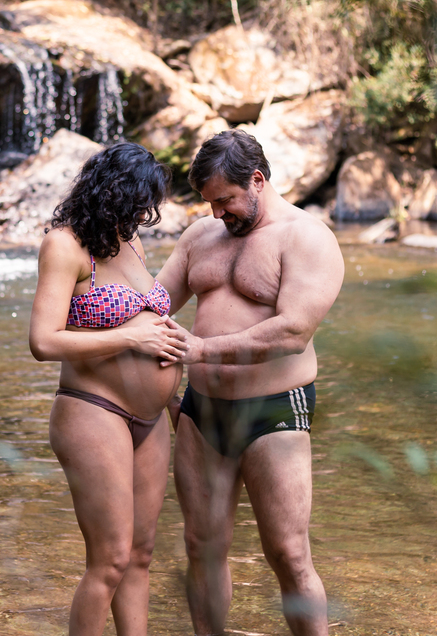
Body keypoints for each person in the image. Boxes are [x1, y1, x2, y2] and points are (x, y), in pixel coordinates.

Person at [156, 130, 345, 636]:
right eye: (209, 202)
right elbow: (152, 308)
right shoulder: (200, 237)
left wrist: (201, 350)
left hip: (274, 411)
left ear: (257, 180)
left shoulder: (307, 238)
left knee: (288, 553)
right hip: (201, 412)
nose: (217, 212)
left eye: (226, 200)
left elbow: (293, 332)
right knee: (202, 546)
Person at [28, 141, 190, 636]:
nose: (141, 215)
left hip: (151, 419)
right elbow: (43, 341)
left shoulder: (131, 240)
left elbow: (149, 320)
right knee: (110, 559)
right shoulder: (65, 245)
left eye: (146, 207)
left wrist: (173, 393)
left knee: (140, 555)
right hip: (93, 410)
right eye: (136, 204)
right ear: (109, 193)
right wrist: (131, 337)